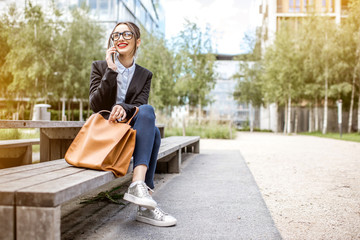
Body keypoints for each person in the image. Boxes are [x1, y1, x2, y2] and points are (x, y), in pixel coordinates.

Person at [89, 21, 176, 227]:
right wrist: (111, 71)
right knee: (153, 132)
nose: (120, 38)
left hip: (128, 131)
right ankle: (144, 195)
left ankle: (139, 186)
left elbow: (140, 106)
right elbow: (95, 106)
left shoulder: (145, 75)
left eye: (126, 34)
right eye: (116, 35)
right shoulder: (100, 67)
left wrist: (124, 108)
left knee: (148, 113)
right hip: (105, 133)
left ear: (137, 42)